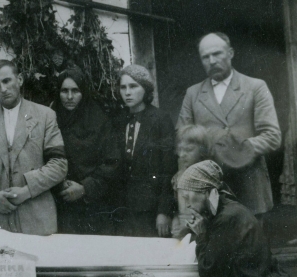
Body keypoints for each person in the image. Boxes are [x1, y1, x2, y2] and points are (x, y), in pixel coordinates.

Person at [177, 32, 281, 220]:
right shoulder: (193, 94)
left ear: (230, 53)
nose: (212, 60)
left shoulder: (255, 87)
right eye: (205, 57)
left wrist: (236, 151)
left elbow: (272, 136)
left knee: (250, 243)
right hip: (209, 186)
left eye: (217, 53)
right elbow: (182, 138)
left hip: (249, 181)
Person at [0, 59, 68, 235]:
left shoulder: (45, 115)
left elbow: (59, 164)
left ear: (19, 80)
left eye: (7, 81)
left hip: (36, 217)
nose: (3, 89)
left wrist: (27, 191)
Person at [51, 67, 121, 235]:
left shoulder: (100, 120)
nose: (69, 97)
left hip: (95, 206)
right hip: (60, 204)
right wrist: (61, 184)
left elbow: (113, 162)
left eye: (75, 91)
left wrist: (84, 188)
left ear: (84, 92)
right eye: (64, 91)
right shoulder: (51, 119)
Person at [114, 64, 177, 237]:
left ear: (146, 89)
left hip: (151, 210)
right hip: (123, 210)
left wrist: (164, 211)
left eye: (133, 86)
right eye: (123, 87)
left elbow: (169, 169)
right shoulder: (118, 121)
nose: (127, 92)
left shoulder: (160, 120)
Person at [171, 125, 213, 238]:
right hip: (181, 234)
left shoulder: (208, 177)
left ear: (202, 151)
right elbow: (178, 207)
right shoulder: (179, 177)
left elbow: (208, 213)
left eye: (188, 150)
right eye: (180, 149)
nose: (182, 154)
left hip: (202, 235)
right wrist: (175, 220)